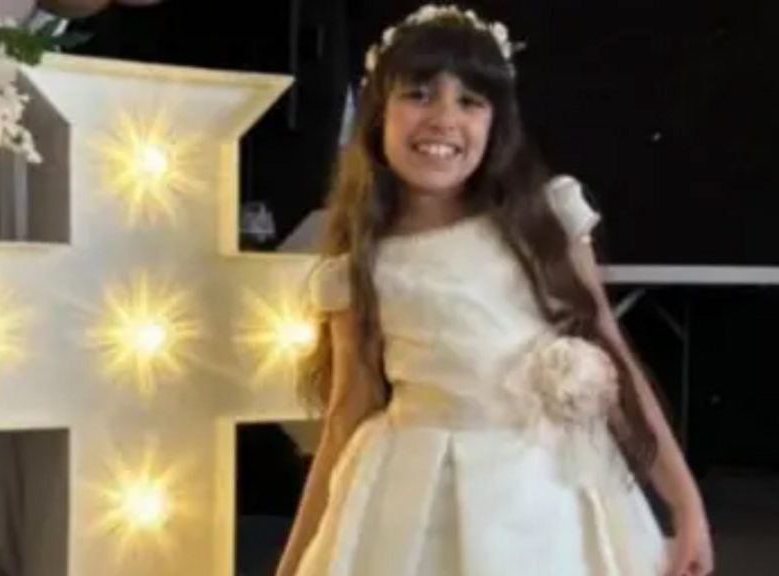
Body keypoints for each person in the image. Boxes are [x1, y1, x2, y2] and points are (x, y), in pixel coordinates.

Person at [275, 4, 713, 576]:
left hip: (553, 496)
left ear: (495, 124)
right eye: (419, 94)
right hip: (419, 492)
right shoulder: (362, 263)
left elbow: (616, 360)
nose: (443, 118)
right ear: (379, 114)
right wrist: (295, 561)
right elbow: (344, 419)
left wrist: (686, 505)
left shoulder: (545, 219)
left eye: (470, 101)